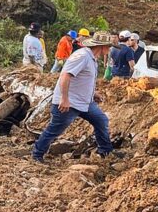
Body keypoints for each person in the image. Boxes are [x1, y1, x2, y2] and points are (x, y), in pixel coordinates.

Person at [32, 31, 116, 162]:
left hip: (85, 102)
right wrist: (64, 99)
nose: (109, 49)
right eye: (108, 46)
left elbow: (82, 80)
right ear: (102, 46)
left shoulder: (92, 59)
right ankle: (37, 155)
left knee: (101, 120)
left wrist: (93, 94)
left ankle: (105, 151)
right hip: (69, 103)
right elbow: (65, 76)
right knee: (55, 130)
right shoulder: (82, 56)